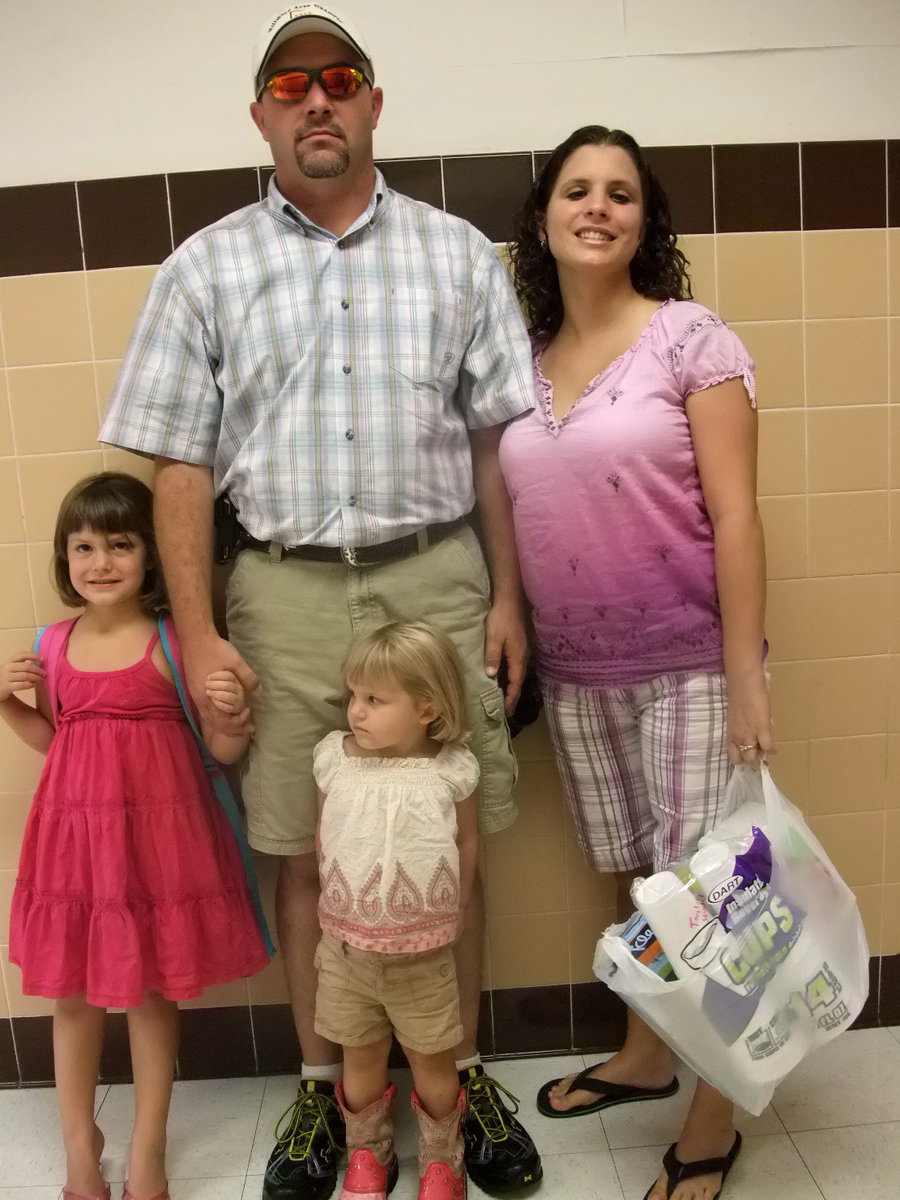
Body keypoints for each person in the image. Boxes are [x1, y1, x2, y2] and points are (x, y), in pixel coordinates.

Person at [99, 6, 542, 1199]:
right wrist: (194, 637)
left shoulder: (457, 255)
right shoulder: (204, 268)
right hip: (281, 596)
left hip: (437, 578)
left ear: (375, 103)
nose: (316, 100)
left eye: (339, 80)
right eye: (290, 85)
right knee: (300, 848)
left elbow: (500, 445)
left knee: (450, 846)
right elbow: (178, 469)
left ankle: (459, 1075)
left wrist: (509, 595)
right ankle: (321, 1091)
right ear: (260, 115)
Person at [499, 125, 775, 1200]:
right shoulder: (518, 364)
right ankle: (652, 1050)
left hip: (693, 666)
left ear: (645, 219)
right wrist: (512, 608)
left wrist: (745, 670)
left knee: (711, 899)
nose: (598, 206)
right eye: (577, 189)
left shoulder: (689, 340)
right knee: (640, 883)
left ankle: (715, 1119)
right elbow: (513, 504)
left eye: (622, 192)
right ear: (543, 218)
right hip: (580, 674)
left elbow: (740, 518)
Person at [0, 472, 270, 1200]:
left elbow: (221, 752)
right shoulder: (52, 645)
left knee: (153, 994)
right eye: (83, 546)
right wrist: (5, 704)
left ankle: (148, 1150)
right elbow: (57, 740)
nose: (101, 562)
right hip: (75, 849)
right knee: (73, 996)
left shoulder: (175, 641)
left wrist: (232, 717)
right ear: (64, 557)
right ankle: (79, 1148)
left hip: (158, 852)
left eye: (120, 544)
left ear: (151, 554)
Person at [314, 621, 478, 1200]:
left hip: (422, 955)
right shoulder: (335, 759)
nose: (355, 711)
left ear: (427, 706)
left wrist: (449, 912)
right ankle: (368, 1153)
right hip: (346, 949)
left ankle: (441, 1161)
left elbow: (466, 844)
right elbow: (325, 835)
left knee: (433, 1063)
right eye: (354, 696)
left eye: (374, 700)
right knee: (359, 1058)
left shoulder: (449, 768)